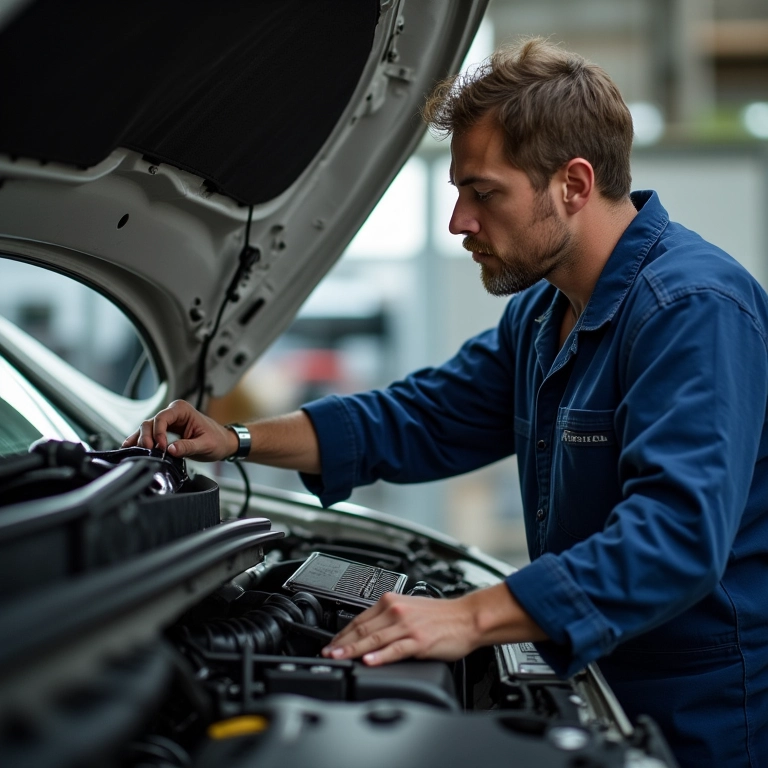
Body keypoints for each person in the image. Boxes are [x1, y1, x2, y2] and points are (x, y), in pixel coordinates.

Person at [124, 38, 768, 766]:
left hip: (700, 711)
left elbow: (677, 535)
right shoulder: (542, 315)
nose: (459, 222)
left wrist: (468, 617)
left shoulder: (692, 309)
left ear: (575, 184)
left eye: (483, 192)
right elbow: (422, 416)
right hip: (592, 669)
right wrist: (238, 438)